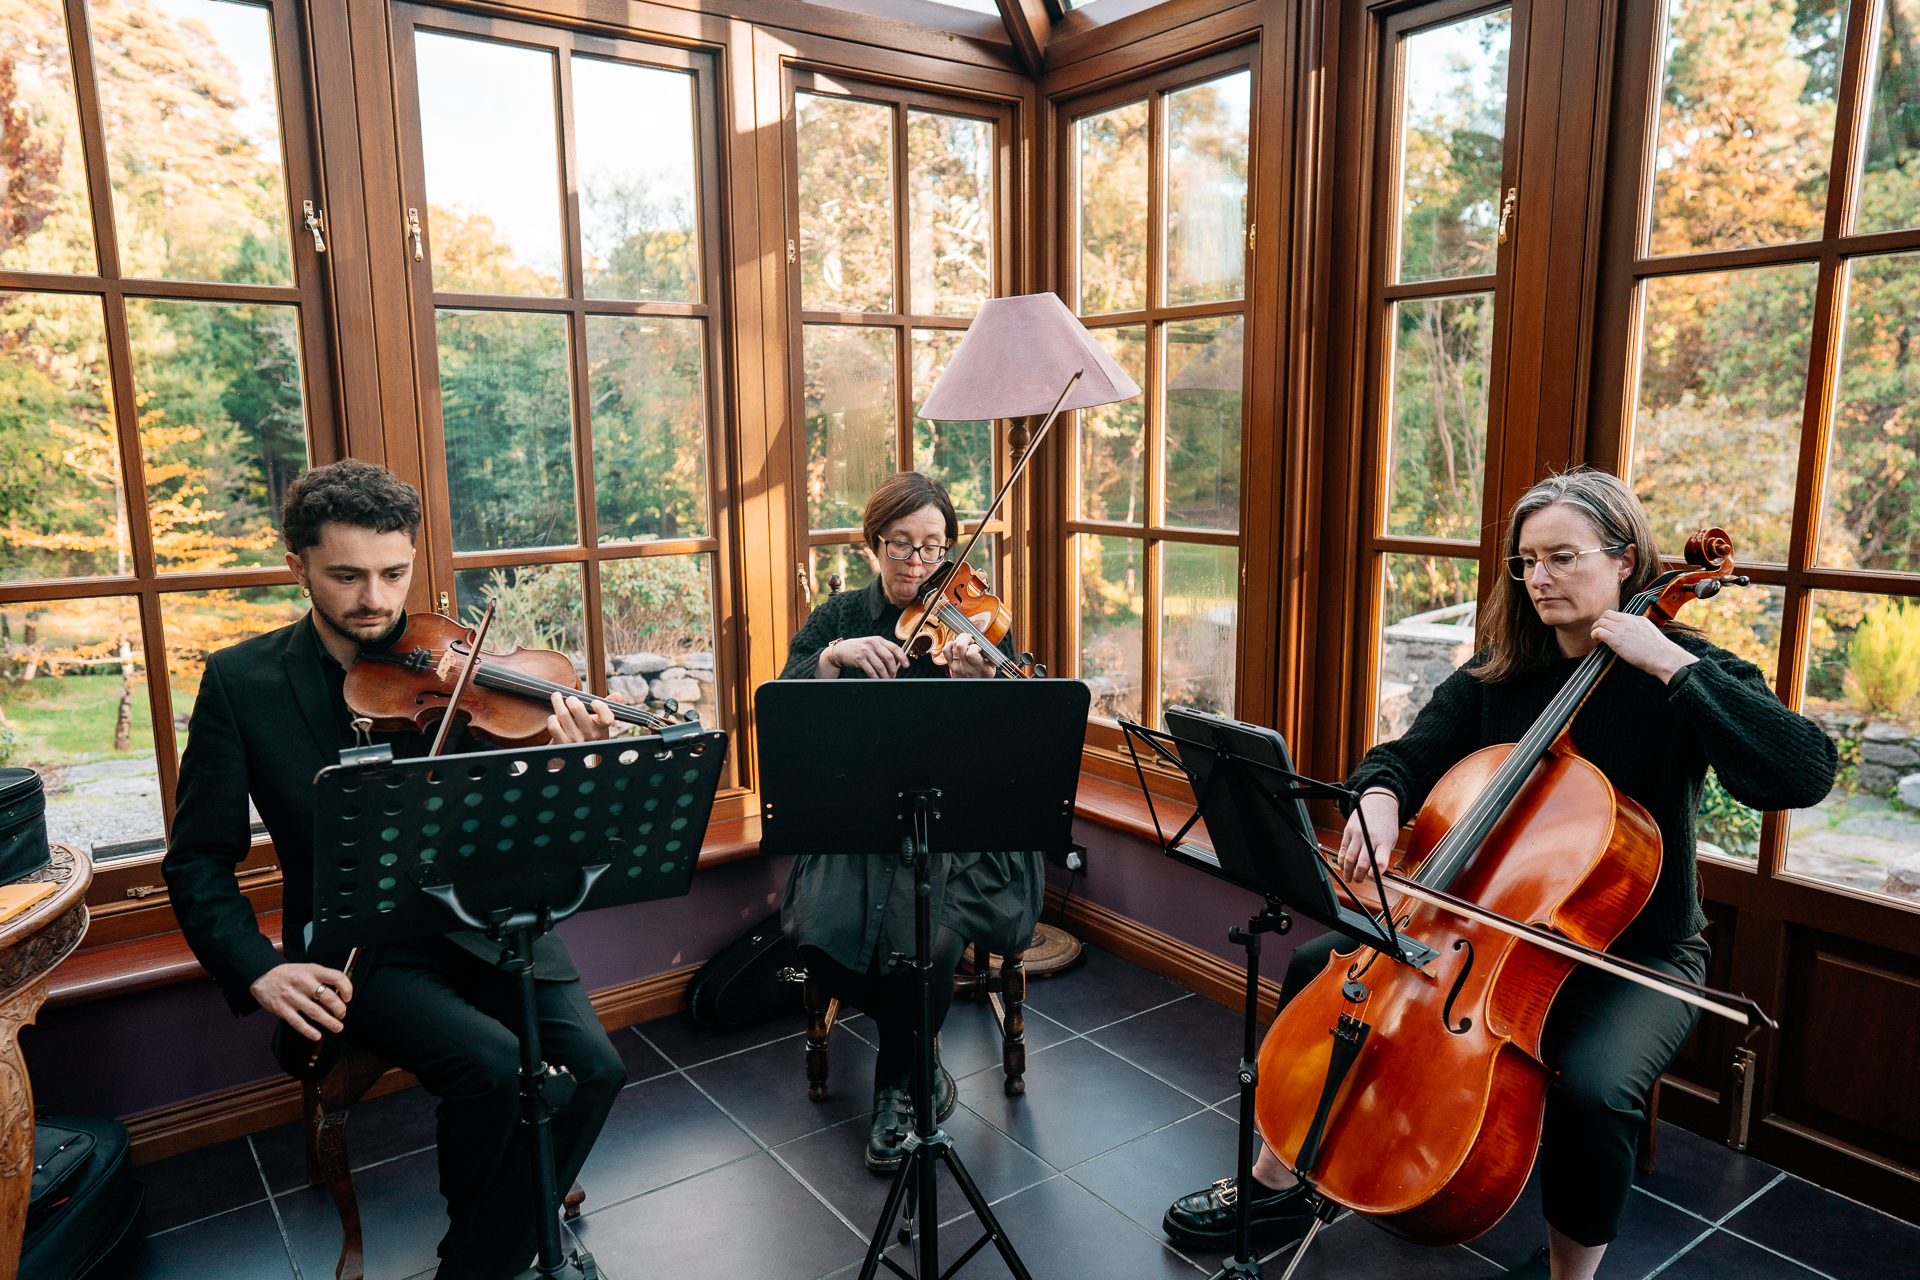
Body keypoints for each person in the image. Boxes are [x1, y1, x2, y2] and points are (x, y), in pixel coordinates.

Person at [1161, 469, 1836, 1280]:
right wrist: (1379, 799)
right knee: (1318, 969)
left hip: (1634, 955)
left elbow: (1801, 773)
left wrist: (1670, 666)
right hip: (1484, 936)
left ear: (1625, 562)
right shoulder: (1503, 671)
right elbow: (1403, 758)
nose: (1540, 579)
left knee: (1594, 1091)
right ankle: (1281, 1180)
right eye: (1526, 562)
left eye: (1561, 557)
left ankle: (1569, 1273)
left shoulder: (1684, 669)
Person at [163, 459, 628, 1280]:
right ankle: (489, 1260)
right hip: (359, 942)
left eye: (394, 573)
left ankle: (493, 1245)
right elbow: (199, 858)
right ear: (297, 567)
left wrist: (565, 764)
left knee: (598, 1068)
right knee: (488, 1067)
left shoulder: (454, 667)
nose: (376, 599)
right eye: (346, 575)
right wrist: (261, 971)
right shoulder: (243, 684)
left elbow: (522, 820)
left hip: (486, 915)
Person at [780, 471, 1043, 1173]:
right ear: (873, 545)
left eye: (934, 548)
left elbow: (1013, 749)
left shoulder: (979, 624)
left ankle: (896, 1087)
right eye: (901, 546)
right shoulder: (838, 618)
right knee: (822, 938)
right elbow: (785, 703)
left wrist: (976, 691)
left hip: (956, 832)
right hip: (862, 826)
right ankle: (920, 1063)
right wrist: (833, 663)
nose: (919, 566)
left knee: (923, 939)